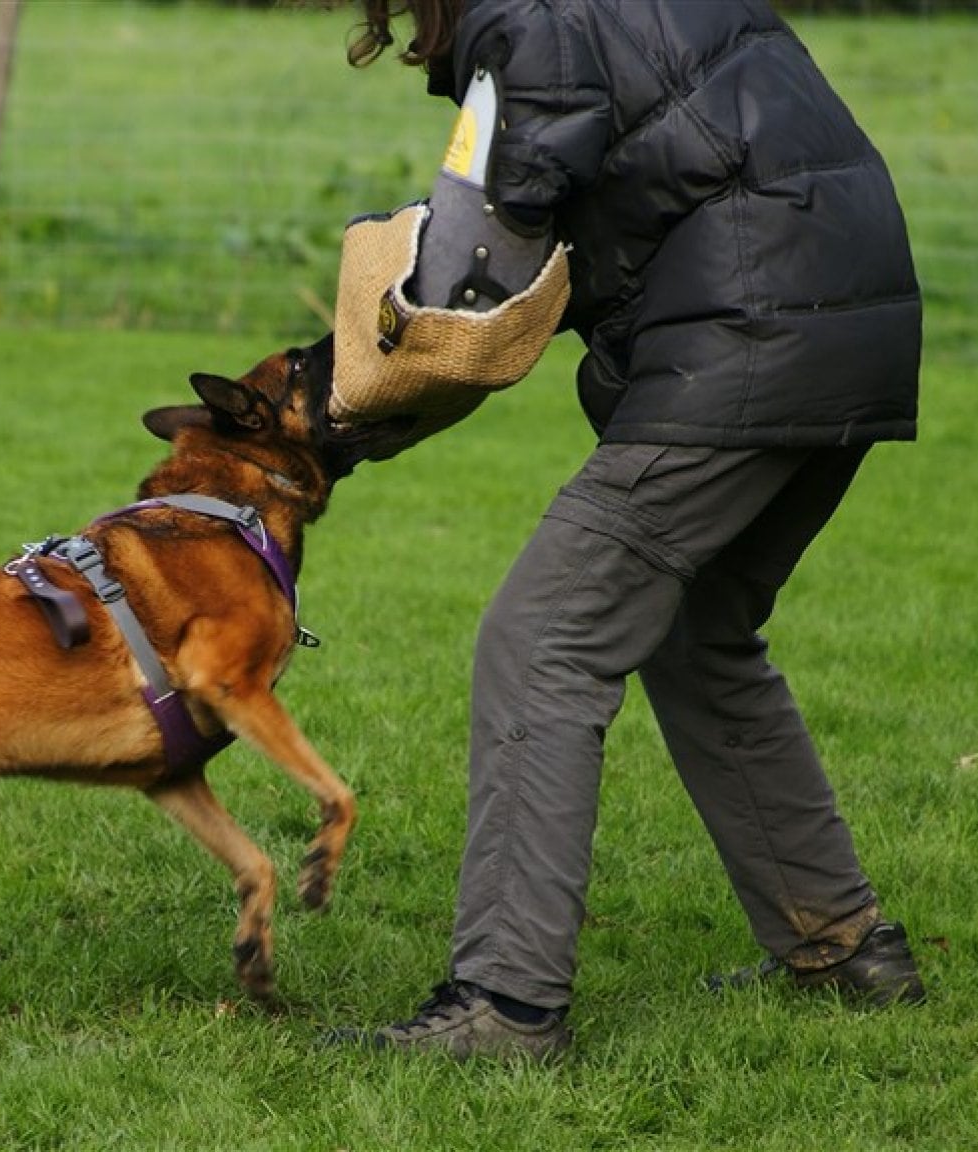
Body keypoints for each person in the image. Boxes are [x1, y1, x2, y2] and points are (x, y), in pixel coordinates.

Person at [317, 0, 929, 1060]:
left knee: (542, 637)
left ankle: (503, 1008)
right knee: (694, 628)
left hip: (750, 329)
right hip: (849, 318)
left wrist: (355, 392)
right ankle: (840, 946)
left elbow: (486, 253)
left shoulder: (530, 18)